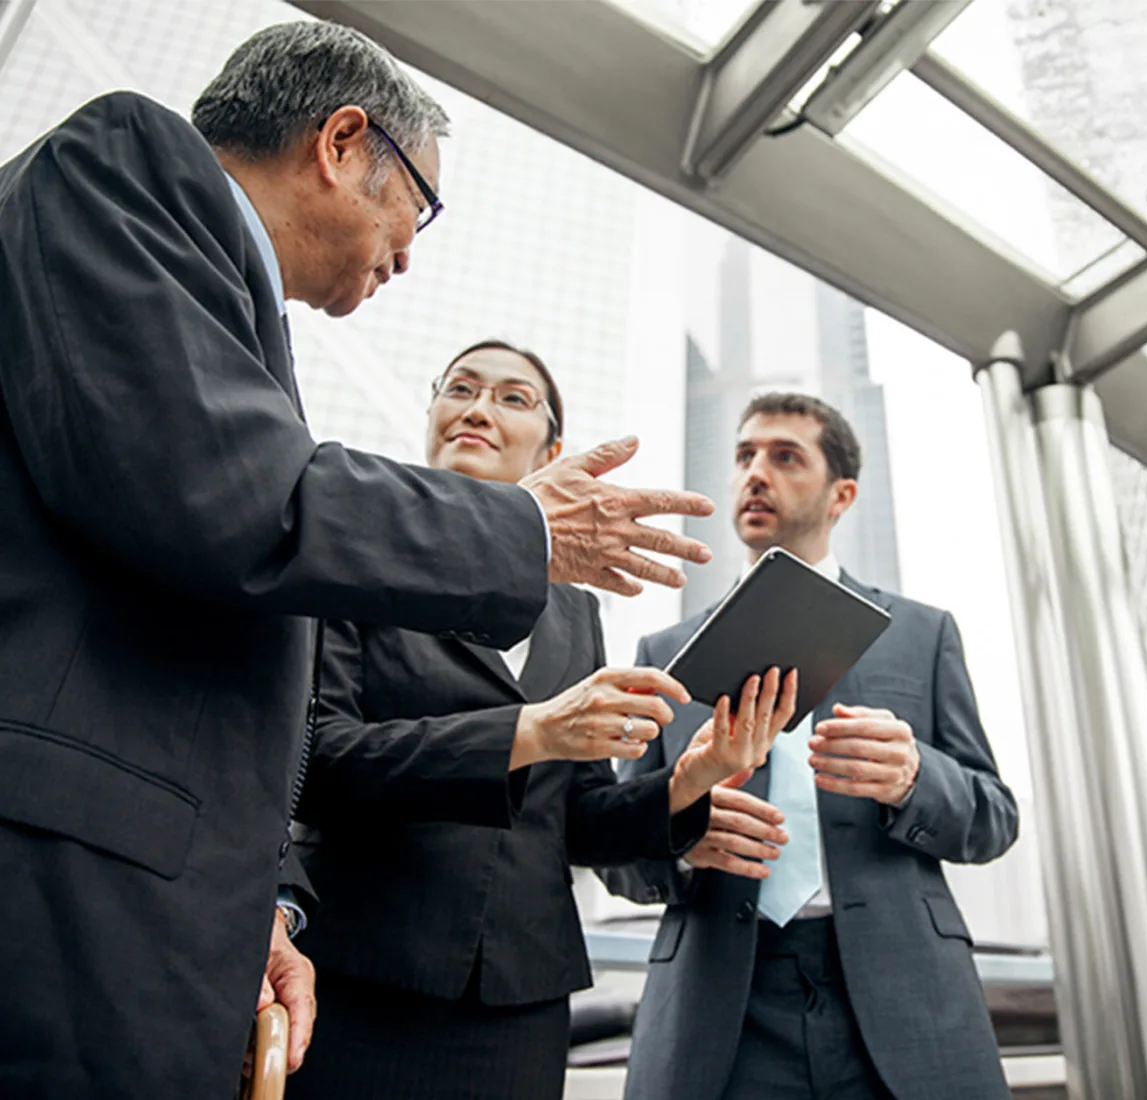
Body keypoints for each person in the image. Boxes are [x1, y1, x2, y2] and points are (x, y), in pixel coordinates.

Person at [0, 23, 712, 1099]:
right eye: (416, 206)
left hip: (252, 932)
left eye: (513, 396)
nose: (411, 252)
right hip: (88, 897)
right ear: (341, 141)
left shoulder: (558, 606)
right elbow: (235, 500)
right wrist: (522, 534)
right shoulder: (122, 164)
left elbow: (242, 710)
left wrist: (269, 904)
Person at [284, 341, 797, 1100]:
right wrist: (531, 733)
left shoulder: (576, 612)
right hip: (360, 980)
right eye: (460, 389)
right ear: (432, 416)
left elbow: (578, 819)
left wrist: (692, 778)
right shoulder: (365, 551)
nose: (479, 408)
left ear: (554, 451)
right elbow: (318, 763)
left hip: (521, 1001)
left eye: (513, 398)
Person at [601, 393, 1019, 1100]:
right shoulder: (665, 653)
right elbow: (614, 852)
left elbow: (994, 818)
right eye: (744, 456)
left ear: (842, 494)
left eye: (785, 456)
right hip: (721, 1010)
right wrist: (679, 831)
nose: (755, 473)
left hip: (904, 1000)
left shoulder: (922, 634)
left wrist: (917, 775)